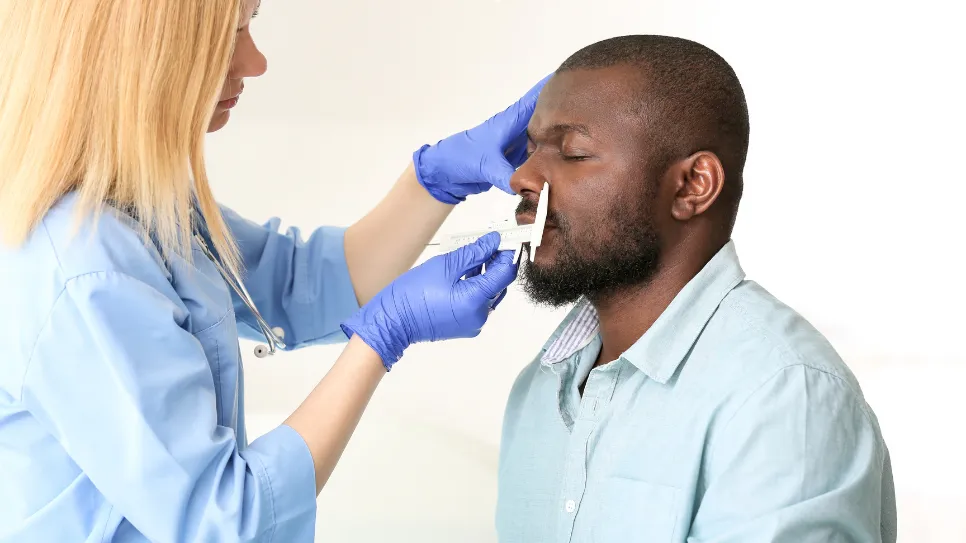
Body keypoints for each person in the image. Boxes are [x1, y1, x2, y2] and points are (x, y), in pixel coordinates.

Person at [0, 1, 543, 541]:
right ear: (140, 56)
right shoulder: (83, 270)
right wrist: (383, 337)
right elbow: (228, 521)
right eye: (229, 35)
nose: (256, 62)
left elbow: (296, 284)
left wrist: (433, 182)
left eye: (249, 25)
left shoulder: (139, 200)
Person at [496, 35, 897, 542]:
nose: (521, 178)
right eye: (531, 150)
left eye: (573, 152)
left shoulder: (783, 397)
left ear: (692, 186)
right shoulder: (538, 389)